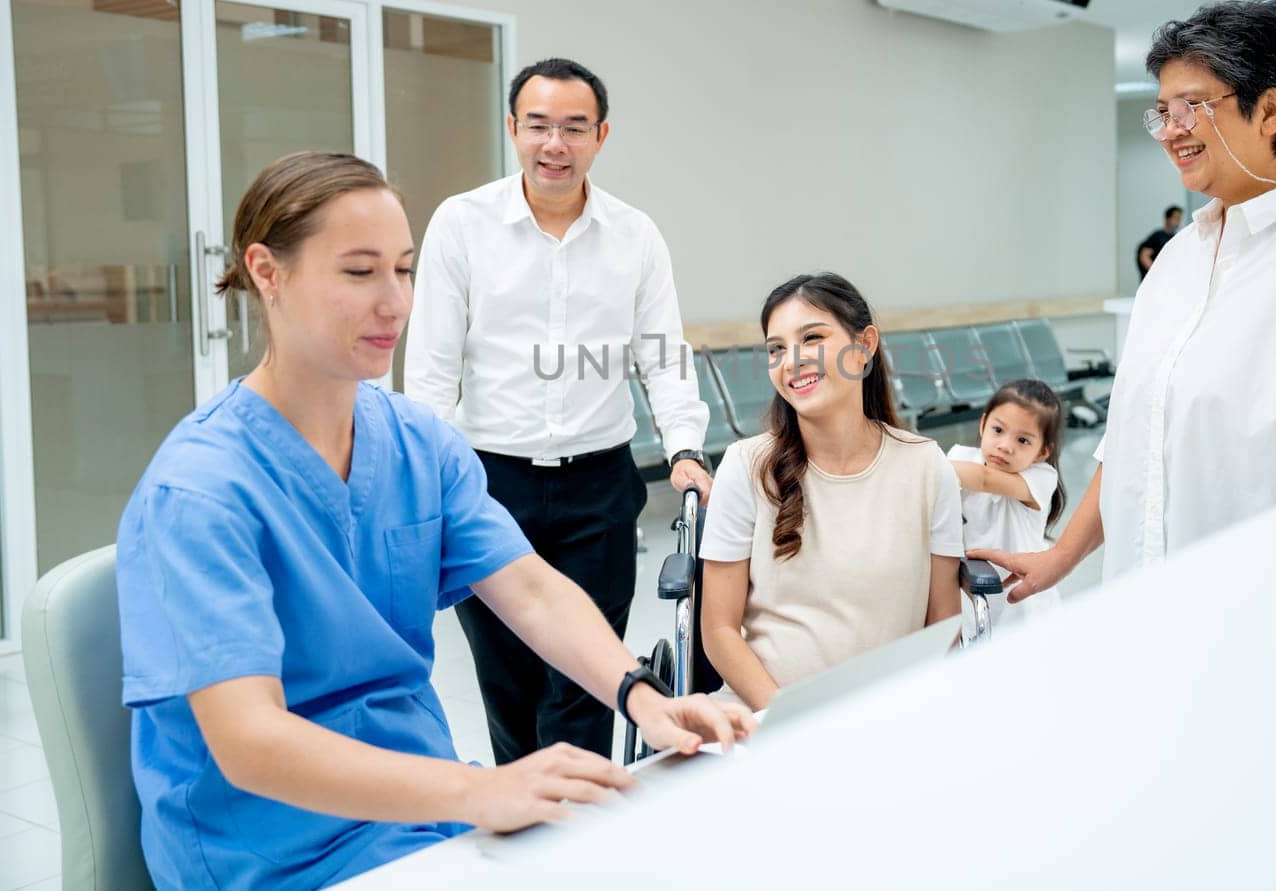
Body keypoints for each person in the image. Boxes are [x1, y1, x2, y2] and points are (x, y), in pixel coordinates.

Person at [117, 151, 750, 891]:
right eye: (359, 272)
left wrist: (644, 695)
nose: (394, 303)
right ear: (267, 271)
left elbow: (533, 591)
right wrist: (480, 791)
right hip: (269, 845)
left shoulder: (417, 445)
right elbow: (249, 742)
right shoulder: (202, 490)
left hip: (419, 812)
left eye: (405, 270)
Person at [973, 0, 1276, 604]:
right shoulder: (1179, 259)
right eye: (1161, 113)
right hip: (1140, 608)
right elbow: (1132, 441)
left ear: (1271, 110)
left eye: (1191, 107)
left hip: (1258, 619)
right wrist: (1059, 559)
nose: (1171, 130)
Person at [404, 57, 712, 763]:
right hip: (488, 485)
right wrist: (422, 479)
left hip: (597, 489)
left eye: (575, 127)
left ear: (601, 135)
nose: (555, 144)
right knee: (506, 683)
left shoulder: (636, 235)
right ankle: (527, 824)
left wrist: (686, 449)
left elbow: (663, 356)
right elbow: (430, 372)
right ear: (512, 129)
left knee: (582, 683)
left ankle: (579, 834)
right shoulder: (463, 224)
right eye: (538, 125)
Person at [698, 272, 963, 711]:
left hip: (889, 714)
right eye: (776, 349)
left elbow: (943, 622)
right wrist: (789, 718)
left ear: (864, 346)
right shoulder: (745, 467)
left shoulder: (926, 466)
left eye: (812, 337)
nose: (791, 361)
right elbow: (719, 631)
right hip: (765, 715)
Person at [947, 379, 1067, 631]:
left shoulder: (1041, 477)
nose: (1005, 446)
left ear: (1043, 451)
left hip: (1025, 599)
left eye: (1023, 440)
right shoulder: (961, 458)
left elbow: (984, 479)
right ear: (983, 424)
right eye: (998, 430)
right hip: (974, 584)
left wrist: (921, 463)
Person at [1136, 204, 1184, 280]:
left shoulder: (1174, 238)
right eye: (1176, 218)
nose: (1178, 221)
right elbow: (1144, 256)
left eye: (1180, 218)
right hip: (1154, 280)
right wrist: (1156, 273)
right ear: (1168, 218)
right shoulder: (1158, 236)